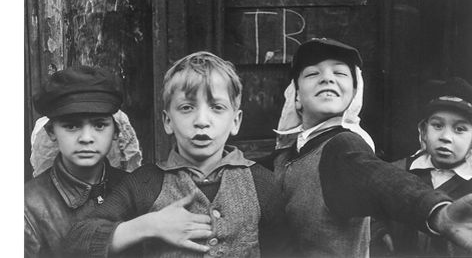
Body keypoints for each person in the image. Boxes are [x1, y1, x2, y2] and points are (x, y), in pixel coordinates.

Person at [267, 38, 472, 257]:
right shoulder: (288, 152)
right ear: (296, 96)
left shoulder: (343, 146)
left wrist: (437, 212)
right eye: (312, 74)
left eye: (339, 73)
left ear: (355, 93)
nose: (327, 78)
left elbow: (383, 180)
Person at [64, 51, 285, 257]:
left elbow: (286, 248)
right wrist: (147, 226)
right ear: (168, 121)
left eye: (217, 107)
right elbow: (76, 240)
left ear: (235, 121)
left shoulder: (260, 182)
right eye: (187, 107)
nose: (201, 121)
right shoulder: (146, 183)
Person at [24, 66, 130, 258]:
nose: (86, 138)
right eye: (71, 125)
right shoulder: (27, 208)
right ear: (51, 132)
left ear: (115, 131)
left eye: (99, 125)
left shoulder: (137, 190)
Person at [374, 77, 472, 257]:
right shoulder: (395, 172)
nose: (446, 137)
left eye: (460, 129)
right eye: (437, 125)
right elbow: (369, 209)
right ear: (423, 130)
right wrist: (379, 232)